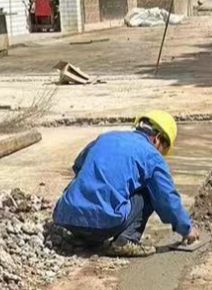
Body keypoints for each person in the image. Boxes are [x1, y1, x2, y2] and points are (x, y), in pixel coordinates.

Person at [53, 110, 199, 257]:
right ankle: (126, 240)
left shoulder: (106, 138)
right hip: (103, 224)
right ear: (157, 139)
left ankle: (82, 239)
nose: (161, 154)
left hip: (66, 217)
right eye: (163, 149)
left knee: (89, 177)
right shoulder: (152, 156)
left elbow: (79, 166)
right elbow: (166, 198)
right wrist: (186, 228)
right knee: (150, 192)